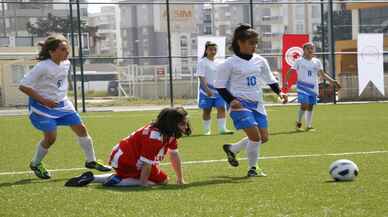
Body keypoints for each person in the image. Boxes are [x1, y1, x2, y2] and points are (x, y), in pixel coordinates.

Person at [19, 35, 111, 179]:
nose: (67, 52)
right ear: (52, 52)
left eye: (67, 49)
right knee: (50, 138)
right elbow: (23, 86)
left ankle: (91, 161)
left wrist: (59, 96)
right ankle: (35, 163)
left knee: (81, 129)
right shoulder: (42, 67)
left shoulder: (66, 63)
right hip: (42, 108)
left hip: (63, 104)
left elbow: (58, 83)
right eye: (63, 49)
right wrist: (45, 100)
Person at [215, 24, 288, 177]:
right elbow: (220, 87)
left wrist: (280, 92)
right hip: (240, 105)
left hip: (258, 104)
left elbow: (270, 79)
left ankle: (233, 149)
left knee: (264, 138)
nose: (254, 46)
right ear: (240, 43)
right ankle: (253, 168)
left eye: (256, 43)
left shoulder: (260, 60)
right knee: (255, 137)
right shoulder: (229, 63)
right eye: (251, 43)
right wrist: (231, 100)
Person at [65, 107, 191, 187]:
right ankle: (114, 180)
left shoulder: (169, 132)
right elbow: (146, 164)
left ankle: (93, 178)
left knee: (162, 180)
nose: (185, 126)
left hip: (129, 156)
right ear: (171, 123)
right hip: (125, 159)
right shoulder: (154, 137)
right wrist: (143, 185)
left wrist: (180, 178)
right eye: (182, 123)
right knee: (154, 182)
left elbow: (174, 154)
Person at [283, 42, 341, 131]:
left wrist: (332, 81)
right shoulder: (299, 61)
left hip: (313, 86)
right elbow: (291, 71)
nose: (310, 50)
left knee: (311, 106)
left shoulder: (317, 61)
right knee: (304, 105)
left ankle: (309, 126)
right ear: (304, 50)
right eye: (308, 48)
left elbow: (322, 74)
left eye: (312, 48)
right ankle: (298, 123)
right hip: (302, 86)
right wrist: (285, 81)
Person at [196, 41, 233, 136]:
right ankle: (206, 130)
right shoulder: (202, 62)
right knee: (207, 110)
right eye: (210, 49)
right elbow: (201, 77)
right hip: (206, 92)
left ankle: (222, 129)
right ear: (206, 50)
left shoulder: (219, 62)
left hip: (219, 91)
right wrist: (207, 90)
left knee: (221, 108)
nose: (213, 51)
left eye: (215, 49)